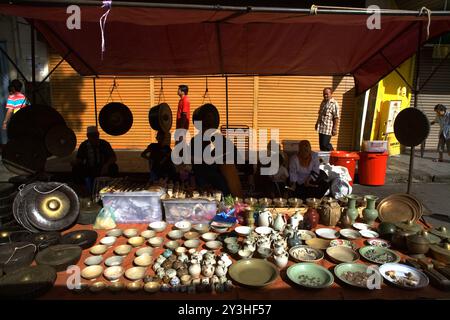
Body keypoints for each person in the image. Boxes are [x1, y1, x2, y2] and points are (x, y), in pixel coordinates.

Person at [72, 126, 118, 193]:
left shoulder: (104, 144)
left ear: (98, 135)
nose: (94, 138)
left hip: (102, 168)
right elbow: (80, 158)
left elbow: (113, 157)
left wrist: (106, 165)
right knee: (76, 168)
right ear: (87, 136)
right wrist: (75, 162)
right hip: (89, 168)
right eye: (91, 136)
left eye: (95, 135)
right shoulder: (84, 145)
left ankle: (112, 187)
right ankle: (81, 188)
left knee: (114, 167)